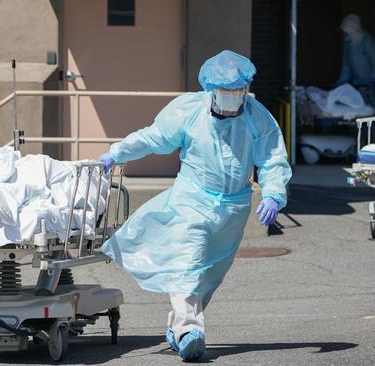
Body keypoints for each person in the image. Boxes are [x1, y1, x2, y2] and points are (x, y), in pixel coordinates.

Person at [98, 50, 291, 361]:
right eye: (226, 91)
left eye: (238, 91)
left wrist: (273, 193)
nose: (233, 97)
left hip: (234, 208)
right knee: (189, 264)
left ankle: (178, 329)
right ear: (210, 89)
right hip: (193, 200)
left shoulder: (257, 116)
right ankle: (191, 331)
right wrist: (118, 152)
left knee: (210, 275)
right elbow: (155, 137)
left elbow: (272, 159)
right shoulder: (188, 111)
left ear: (245, 89)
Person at [336, 14, 375, 106]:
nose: (344, 35)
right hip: (358, 85)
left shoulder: (367, 41)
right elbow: (346, 66)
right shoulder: (348, 44)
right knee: (362, 109)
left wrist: (372, 79)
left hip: (371, 85)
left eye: (345, 32)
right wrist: (341, 82)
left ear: (352, 30)